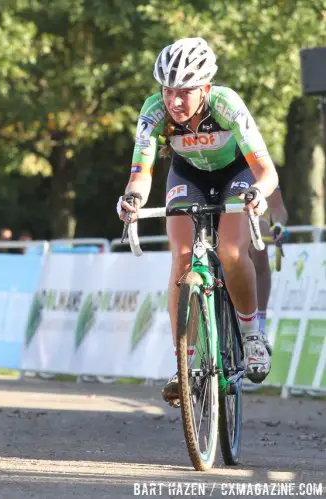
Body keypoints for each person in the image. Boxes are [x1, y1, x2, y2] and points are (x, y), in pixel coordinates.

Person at [116, 38, 279, 406]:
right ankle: (184, 363)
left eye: (185, 92)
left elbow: (266, 171)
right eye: (168, 90)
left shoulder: (227, 105)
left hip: (236, 174)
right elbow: (140, 173)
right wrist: (132, 200)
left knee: (234, 250)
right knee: (182, 257)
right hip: (187, 176)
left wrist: (258, 194)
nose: (174, 101)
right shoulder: (153, 111)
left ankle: (252, 334)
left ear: (205, 88)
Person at [249, 186, 288, 354]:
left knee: (261, 233)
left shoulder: (257, 163)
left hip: (254, 216)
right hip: (227, 214)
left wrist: (278, 224)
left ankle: (261, 325)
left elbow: (278, 208)